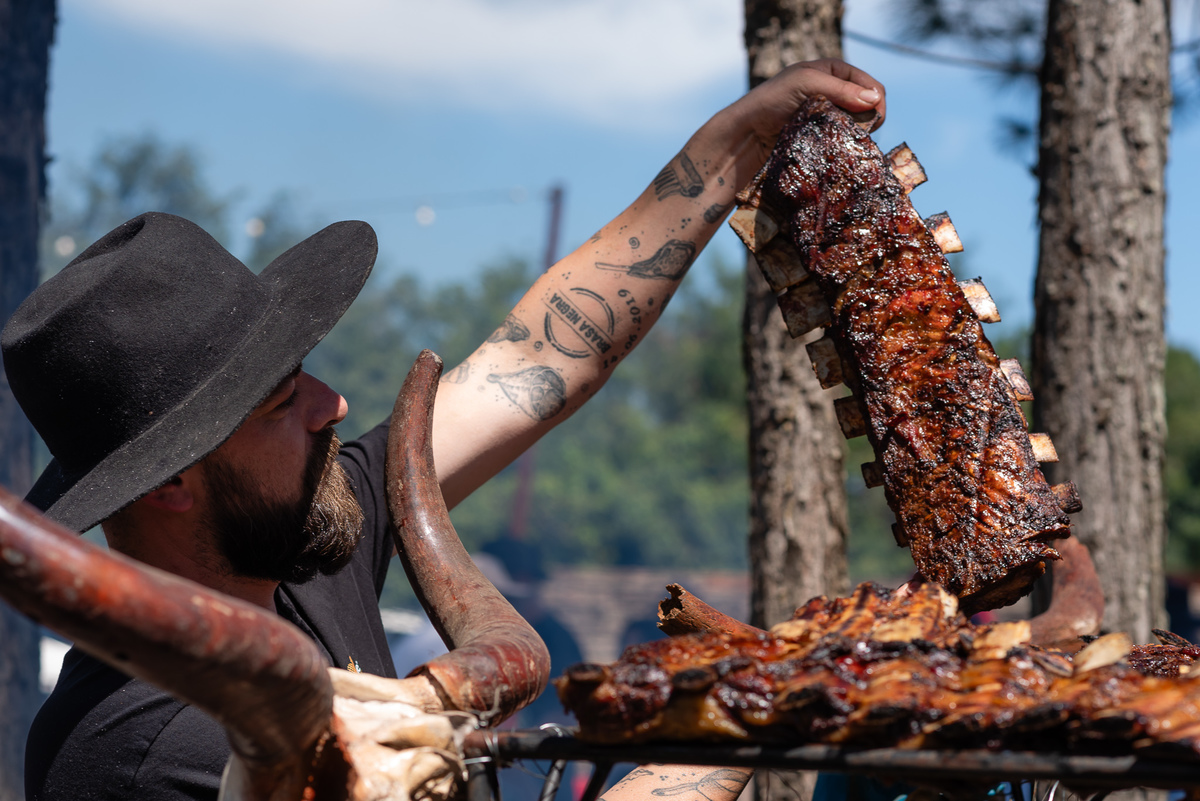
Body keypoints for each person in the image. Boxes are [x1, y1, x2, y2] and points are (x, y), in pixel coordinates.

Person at [7, 59, 885, 800]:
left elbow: (536, 359)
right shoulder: (139, 757)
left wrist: (736, 141)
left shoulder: (307, 539)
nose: (333, 404)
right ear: (172, 479)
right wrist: (711, 743)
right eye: (282, 400)